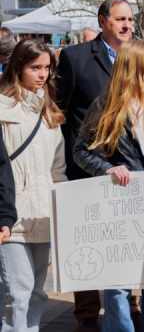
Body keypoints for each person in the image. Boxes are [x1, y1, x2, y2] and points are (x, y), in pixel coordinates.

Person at [73, 39, 144, 332]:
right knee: (119, 284)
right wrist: (108, 167)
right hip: (121, 205)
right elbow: (81, 151)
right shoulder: (106, 103)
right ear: (132, 64)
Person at [55, 0, 141, 332]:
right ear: (103, 20)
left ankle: (128, 304)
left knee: (122, 239)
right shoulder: (75, 58)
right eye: (121, 19)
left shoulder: (136, 56)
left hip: (127, 170)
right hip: (85, 167)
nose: (127, 26)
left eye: (131, 20)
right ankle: (87, 314)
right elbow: (61, 111)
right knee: (86, 241)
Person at [0, 39, 67, 331]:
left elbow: (57, 169)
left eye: (47, 68)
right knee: (18, 291)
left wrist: (61, 206)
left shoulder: (49, 111)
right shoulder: (2, 108)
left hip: (43, 214)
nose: (42, 74)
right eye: (35, 67)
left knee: (38, 291)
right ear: (18, 67)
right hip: (11, 216)